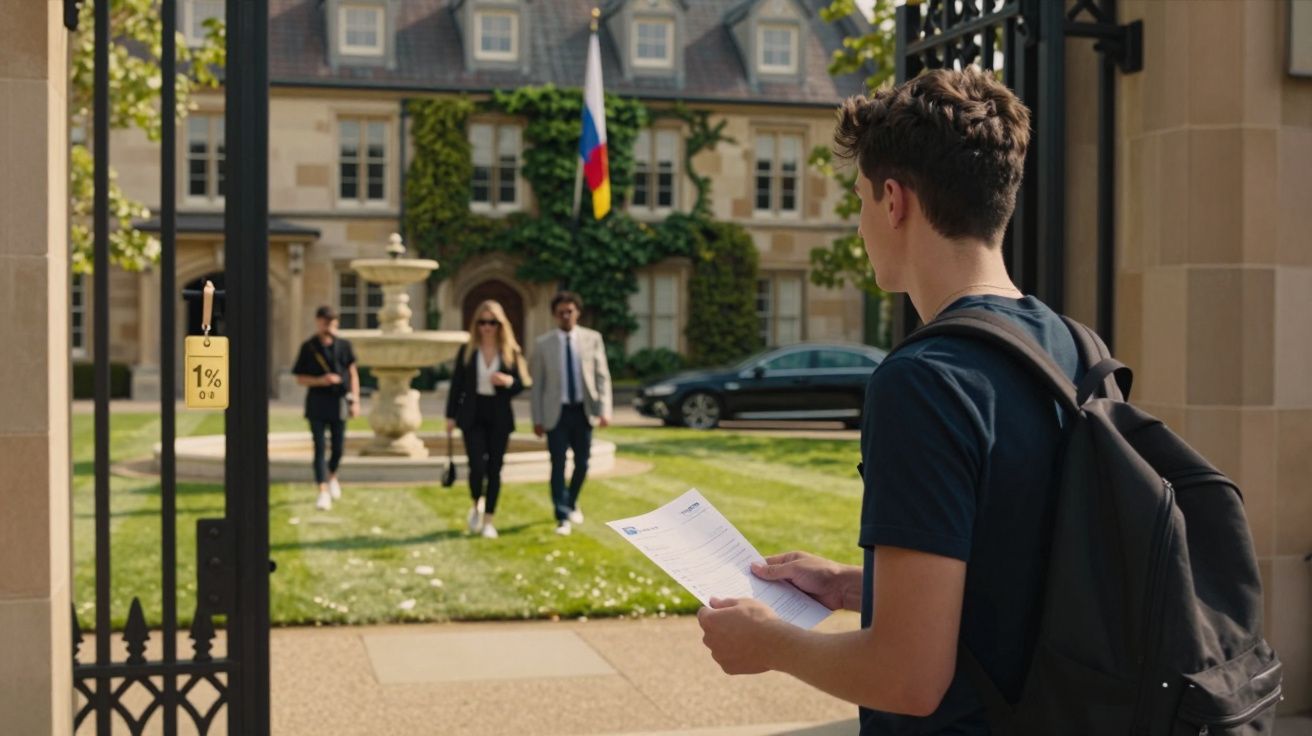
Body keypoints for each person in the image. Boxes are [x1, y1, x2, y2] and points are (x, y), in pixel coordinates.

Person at [696, 68, 1083, 734]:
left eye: (861, 200)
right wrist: (851, 586)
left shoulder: (924, 382)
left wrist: (767, 643)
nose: (859, 224)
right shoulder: (1074, 345)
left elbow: (907, 678)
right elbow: (1013, 569)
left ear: (894, 202)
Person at [444, 300, 529, 539]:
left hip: (499, 414)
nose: (487, 327)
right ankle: (475, 505)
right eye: (482, 322)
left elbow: (522, 383)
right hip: (472, 413)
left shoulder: (511, 351)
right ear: (476, 324)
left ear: (500, 324)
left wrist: (508, 382)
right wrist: (450, 416)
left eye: (492, 322)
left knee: (494, 469)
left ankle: (489, 520)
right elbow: (456, 386)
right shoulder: (468, 350)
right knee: (476, 466)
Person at [529, 291, 612, 536]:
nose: (566, 316)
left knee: (583, 463)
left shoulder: (592, 339)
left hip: (583, 410)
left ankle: (572, 499)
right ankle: (561, 516)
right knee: (557, 464)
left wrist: (604, 409)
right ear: (554, 315)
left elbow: (602, 376)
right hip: (556, 413)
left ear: (577, 313)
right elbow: (538, 386)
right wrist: (537, 419)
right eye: (561, 312)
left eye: (570, 311)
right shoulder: (543, 344)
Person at [292, 306, 361, 512]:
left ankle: (332, 476)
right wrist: (321, 380)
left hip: (339, 402)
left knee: (339, 448)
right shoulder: (309, 347)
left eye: (331, 323)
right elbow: (300, 378)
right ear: (317, 322)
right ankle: (322, 490)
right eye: (324, 322)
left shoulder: (344, 346)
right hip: (317, 403)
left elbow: (353, 373)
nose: (328, 327)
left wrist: (355, 400)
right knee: (319, 447)